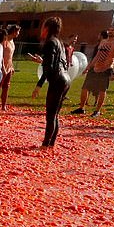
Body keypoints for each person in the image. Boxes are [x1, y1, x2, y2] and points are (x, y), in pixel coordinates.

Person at [29, 17, 70, 148]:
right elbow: (57, 62)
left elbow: (50, 67)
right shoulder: (59, 42)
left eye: (42, 27)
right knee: (55, 114)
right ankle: (51, 143)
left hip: (57, 80)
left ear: (46, 28)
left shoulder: (50, 42)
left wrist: (39, 85)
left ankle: (46, 144)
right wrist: (42, 61)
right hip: (66, 79)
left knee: (51, 115)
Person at [75, 25, 114, 117]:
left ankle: (97, 111)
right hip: (95, 68)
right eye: (109, 30)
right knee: (85, 88)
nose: (110, 31)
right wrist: (88, 67)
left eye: (113, 30)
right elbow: (97, 55)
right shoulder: (103, 41)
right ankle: (81, 108)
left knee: (102, 90)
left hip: (106, 68)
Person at [0, 24, 20, 111]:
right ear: (14, 31)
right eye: (18, 32)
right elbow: (1, 55)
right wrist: (3, 67)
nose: (18, 33)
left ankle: (3, 106)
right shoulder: (4, 41)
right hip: (2, 67)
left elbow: (10, 56)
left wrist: (12, 66)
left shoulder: (12, 42)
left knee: (6, 87)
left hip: (9, 68)